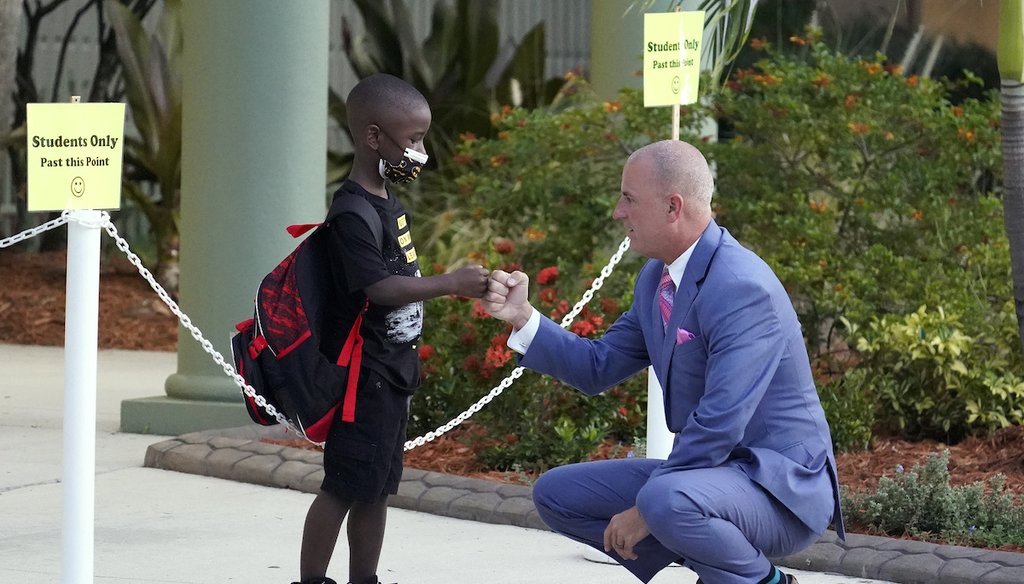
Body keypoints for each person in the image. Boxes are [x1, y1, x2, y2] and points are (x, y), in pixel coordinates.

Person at [482, 139, 845, 584]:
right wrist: (521, 316)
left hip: (779, 489)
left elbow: (720, 421)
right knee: (558, 494)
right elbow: (597, 366)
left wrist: (645, 511)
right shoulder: (658, 276)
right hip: (707, 480)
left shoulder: (742, 287)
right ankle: (724, 572)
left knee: (663, 501)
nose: (618, 212)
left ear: (673, 207)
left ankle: (764, 582)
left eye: (629, 199)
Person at [295, 73, 489, 584]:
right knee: (342, 485)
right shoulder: (354, 211)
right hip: (366, 377)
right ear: (374, 137)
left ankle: (365, 579)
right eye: (414, 139)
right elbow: (378, 288)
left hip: (393, 371)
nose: (420, 152)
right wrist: (451, 283)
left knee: (377, 488)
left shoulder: (385, 199)